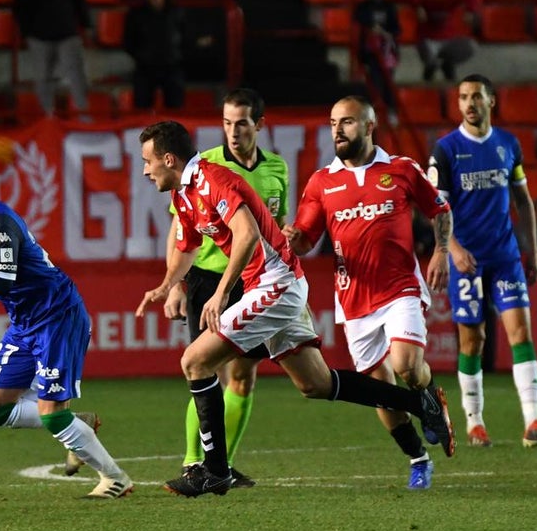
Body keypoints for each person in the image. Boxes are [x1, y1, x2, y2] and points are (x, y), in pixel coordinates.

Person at [134, 120, 455, 498]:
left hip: (276, 283)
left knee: (195, 361)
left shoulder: (212, 179)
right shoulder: (184, 195)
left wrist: (221, 293)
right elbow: (186, 248)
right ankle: (419, 401)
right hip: (271, 285)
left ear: (168, 159)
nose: (144, 170)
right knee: (315, 384)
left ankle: (215, 470)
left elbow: (247, 233)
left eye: (147, 161)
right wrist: (167, 284)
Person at [0, 145, 133, 499]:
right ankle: (78, 424)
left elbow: (1, 280)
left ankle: (114, 478)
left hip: (57, 318)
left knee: (51, 413)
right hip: (25, 322)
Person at [285, 96, 453, 490]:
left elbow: (439, 210)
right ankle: (418, 459)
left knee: (408, 366)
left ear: (369, 126)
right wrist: (294, 239)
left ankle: (430, 397)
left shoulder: (401, 169)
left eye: (346, 122)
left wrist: (442, 250)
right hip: (354, 300)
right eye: (332, 123)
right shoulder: (322, 182)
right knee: (382, 392)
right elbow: (307, 237)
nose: (337, 130)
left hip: (400, 289)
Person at [165, 88, 288, 489]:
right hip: (208, 279)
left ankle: (225, 466)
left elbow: (276, 224)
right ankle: (191, 462)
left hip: (252, 282)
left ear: (259, 125)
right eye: (226, 123)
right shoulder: (205, 168)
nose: (232, 132)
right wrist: (176, 284)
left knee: (244, 377)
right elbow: (180, 231)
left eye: (241, 123)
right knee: (205, 368)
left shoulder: (277, 169)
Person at [428, 74, 537, 448]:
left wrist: (531, 251)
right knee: (474, 340)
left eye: (477, 97)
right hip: (467, 259)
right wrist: (451, 249)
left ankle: (532, 421)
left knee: (521, 333)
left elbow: (523, 201)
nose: (470, 103)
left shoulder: (507, 145)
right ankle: (474, 423)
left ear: (491, 101)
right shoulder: (446, 150)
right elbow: (436, 207)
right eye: (464, 97)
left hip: (505, 256)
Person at [12, 0, 91, 116]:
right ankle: (47, 117)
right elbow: (19, 6)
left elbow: (79, 0)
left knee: (76, 75)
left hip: (67, 33)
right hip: (39, 36)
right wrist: (26, 32)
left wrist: (86, 25)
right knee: (42, 77)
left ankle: (83, 114)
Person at [123, 0, 185, 110]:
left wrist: (177, 55)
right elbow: (129, 40)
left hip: (171, 65)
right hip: (145, 66)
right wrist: (140, 56)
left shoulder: (177, 12)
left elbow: (185, 37)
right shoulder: (136, 14)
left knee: (175, 107)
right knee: (142, 107)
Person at [409, 0, 479, 82]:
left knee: (471, 45)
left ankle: (447, 64)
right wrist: (417, 6)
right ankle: (431, 68)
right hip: (429, 40)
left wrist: (470, 10)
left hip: (448, 40)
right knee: (426, 48)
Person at [353, 0, 401, 114]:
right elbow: (359, 23)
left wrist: (383, 33)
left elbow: (396, 29)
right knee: (375, 83)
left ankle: (391, 111)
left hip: (387, 51)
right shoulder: (362, 7)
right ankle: (375, 112)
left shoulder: (389, 6)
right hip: (370, 51)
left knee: (388, 82)